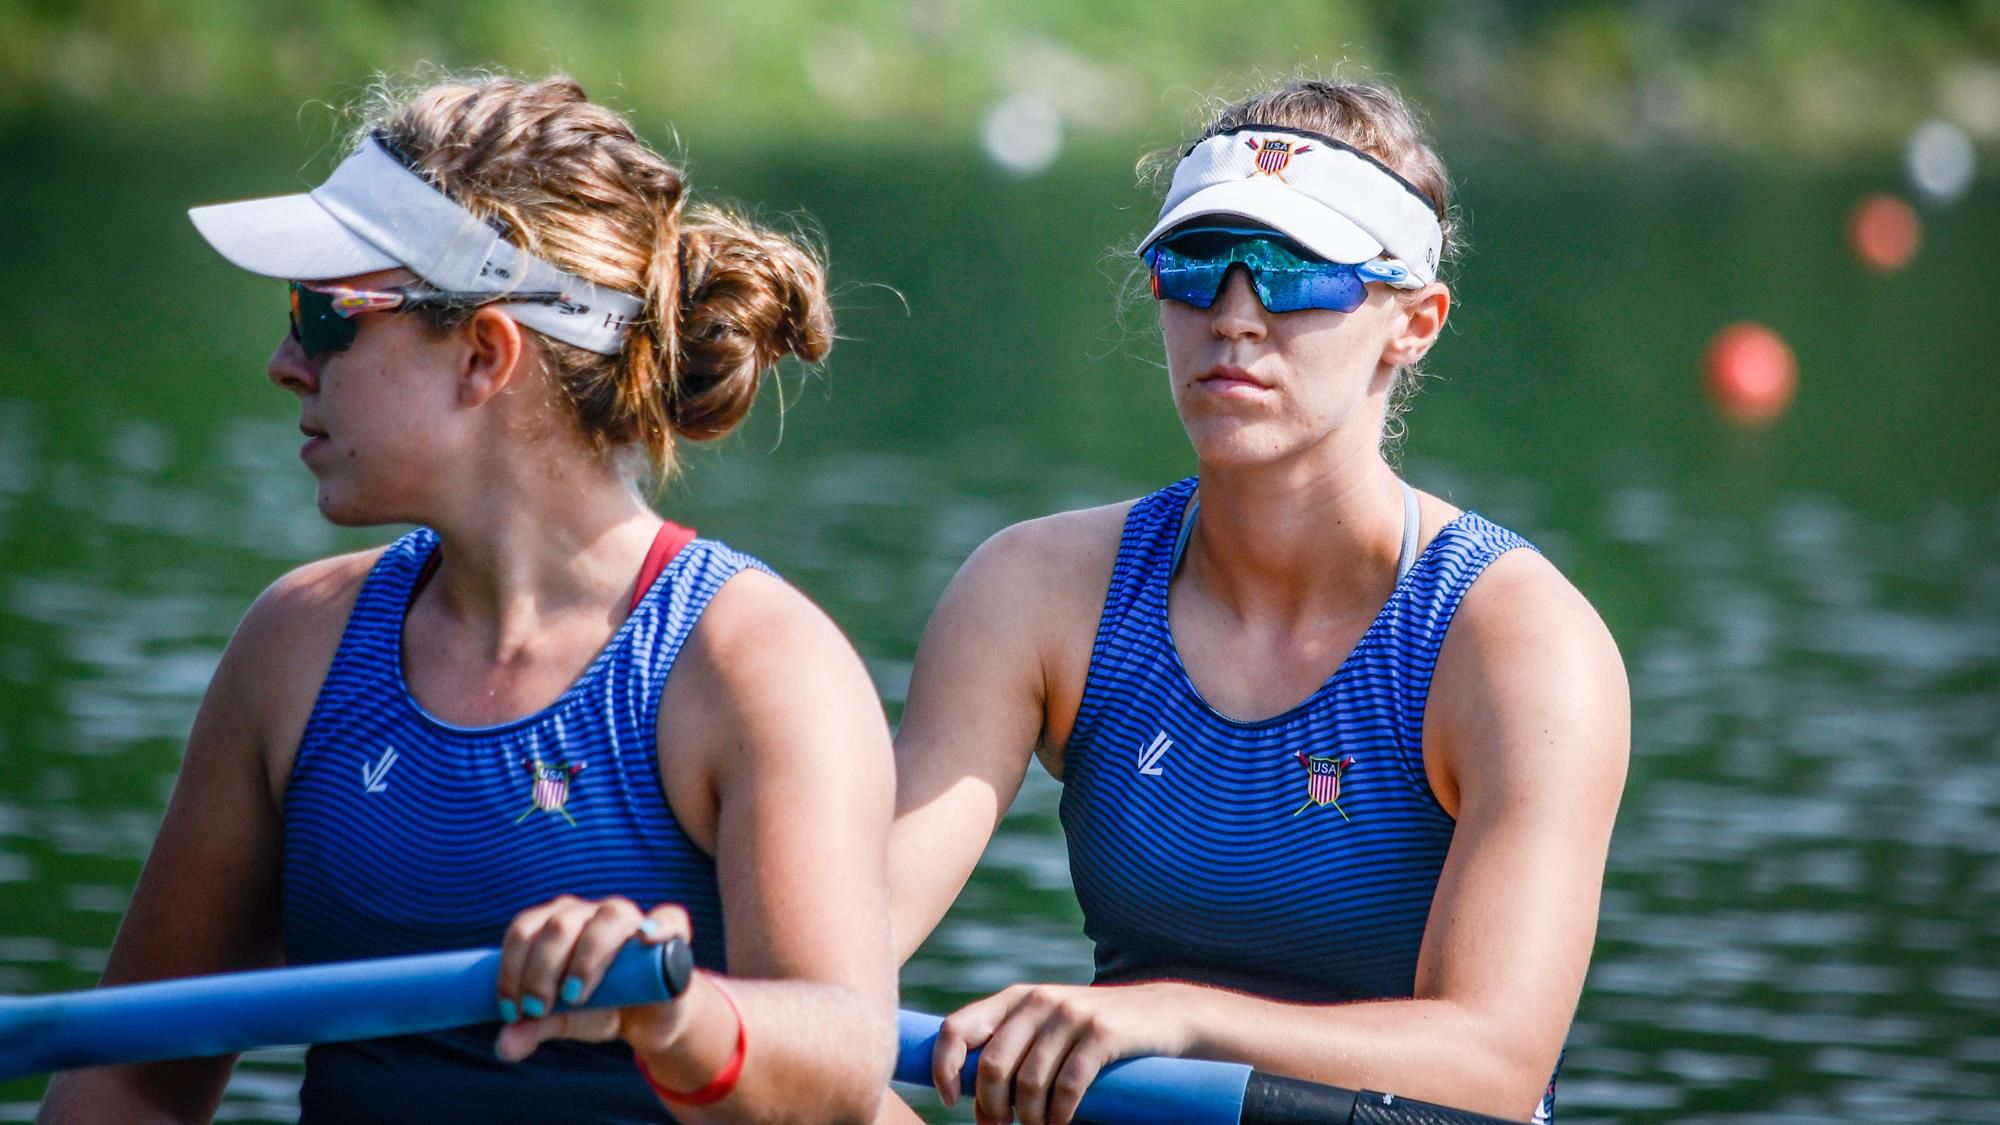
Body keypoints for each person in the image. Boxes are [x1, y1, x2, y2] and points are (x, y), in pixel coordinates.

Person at [38, 75, 895, 1125]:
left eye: (324, 314)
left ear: (484, 355)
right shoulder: (295, 645)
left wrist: (675, 1013)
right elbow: (132, 1078)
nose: (284, 363)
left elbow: (847, 1060)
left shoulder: (753, 665)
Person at [885, 78, 1629, 1125]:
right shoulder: (1035, 590)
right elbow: (837, 943)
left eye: (1293, 275)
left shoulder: (1515, 643)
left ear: (1412, 322)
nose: (1232, 316)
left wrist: (1173, 1018)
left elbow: (1493, 1062)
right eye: (1194, 265)